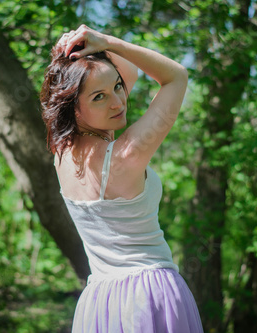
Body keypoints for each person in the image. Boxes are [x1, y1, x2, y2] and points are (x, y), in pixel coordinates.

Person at [40, 25, 203, 333]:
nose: (118, 102)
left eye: (117, 87)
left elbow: (126, 73)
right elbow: (176, 76)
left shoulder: (61, 152)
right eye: (100, 97)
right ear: (73, 108)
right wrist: (108, 41)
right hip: (153, 295)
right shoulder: (127, 155)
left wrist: (75, 53)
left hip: (99, 304)